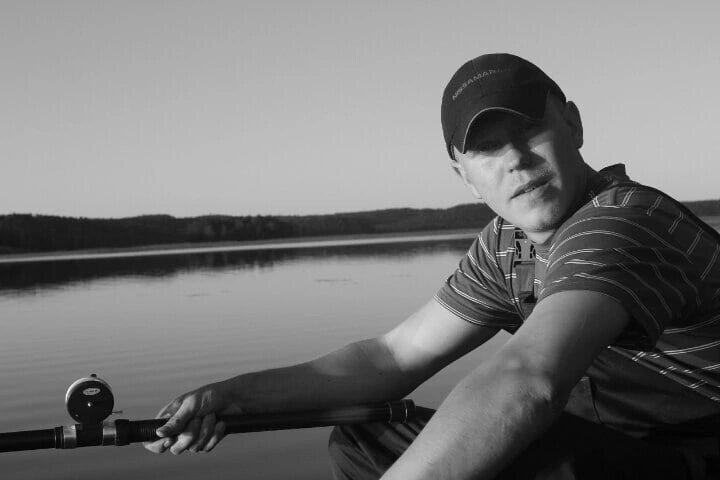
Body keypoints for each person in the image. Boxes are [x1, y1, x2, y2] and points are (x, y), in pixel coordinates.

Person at [143, 53, 720, 479]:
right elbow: (391, 358)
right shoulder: (507, 246)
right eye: (486, 149)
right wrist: (235, 397)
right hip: (617, 451)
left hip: (693, 457)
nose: (515, 161)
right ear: (463, 176)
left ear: (573, 125)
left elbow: (528, 381)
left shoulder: (622, 220)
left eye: (529, 129)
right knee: (367, 437)